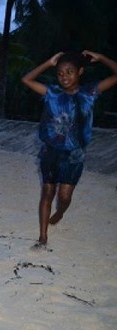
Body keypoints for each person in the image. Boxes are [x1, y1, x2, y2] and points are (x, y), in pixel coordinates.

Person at [21, 50, 117, 250]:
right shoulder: (51, 93)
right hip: (50, 151)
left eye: (69, 72)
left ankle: (61, 211)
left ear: (80, 71)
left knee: (64, 197)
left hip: (75, 154)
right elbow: (26, 79)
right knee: (48, 192)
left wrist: (101, 58)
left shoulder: (89, 93)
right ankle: (43, 237)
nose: (64, 76)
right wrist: (48, 62)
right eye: (60, 73)